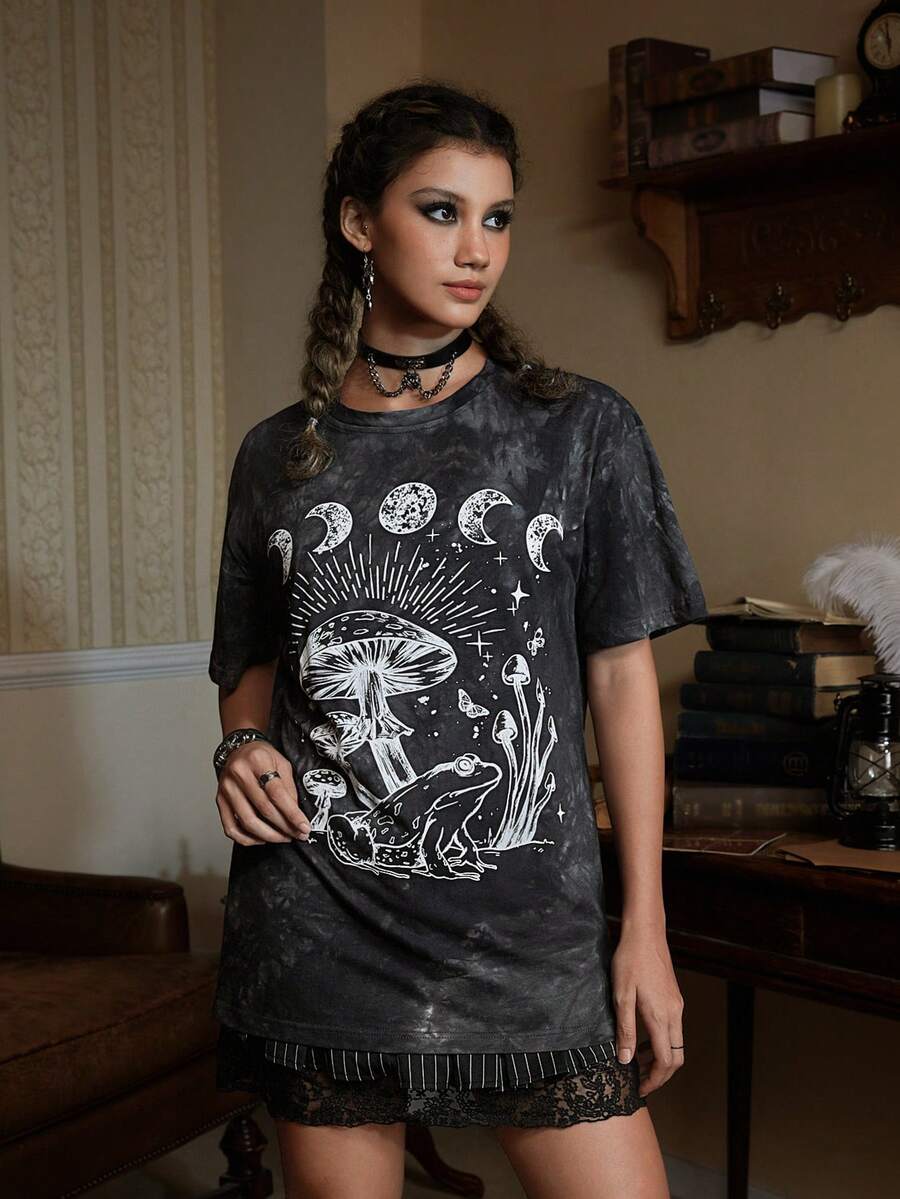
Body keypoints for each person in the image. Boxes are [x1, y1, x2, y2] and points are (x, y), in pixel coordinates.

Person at [209, 79, 708, 1199]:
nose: (477, 248)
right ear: (359, 222)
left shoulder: (581, 429)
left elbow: (623, 684)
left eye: (497, 217)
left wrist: (646, 925)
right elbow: (252, 662)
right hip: (321, 917)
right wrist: (241, 746)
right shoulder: (278, 455)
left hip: (528, 930)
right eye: (441, 211)